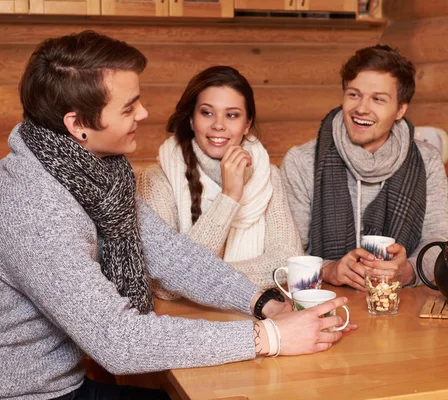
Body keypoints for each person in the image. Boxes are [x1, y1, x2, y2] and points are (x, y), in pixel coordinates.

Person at [0, 31, 353, 400]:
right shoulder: (34, 206)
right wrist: (269, 337)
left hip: (63, 386)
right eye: (128, 107)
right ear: (77, 126)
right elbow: (119, 341)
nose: (144, 113)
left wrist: (265, 304)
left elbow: (174, 255)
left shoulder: (98, 176)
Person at [280, 44, 448, 291]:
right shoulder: (301, 161)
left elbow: (440, 242)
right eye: (354, 94)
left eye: (378, 99)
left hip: (401, 307)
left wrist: (409, 270)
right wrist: (329, 270)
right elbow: (286, 251)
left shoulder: (426, 160)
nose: (361, 108)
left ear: (400, 110)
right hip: (325, 305)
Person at [137, 66, 303, 300]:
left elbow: (288, 261)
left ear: (247, 124)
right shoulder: (157, 179)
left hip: (256, 316)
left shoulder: (268, 175)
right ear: (192, 120)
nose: (218, 125)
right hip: (186, 323)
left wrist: (204, 279)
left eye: (232, 115)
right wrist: (229, 197)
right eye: (207, 113)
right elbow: (165, 285)